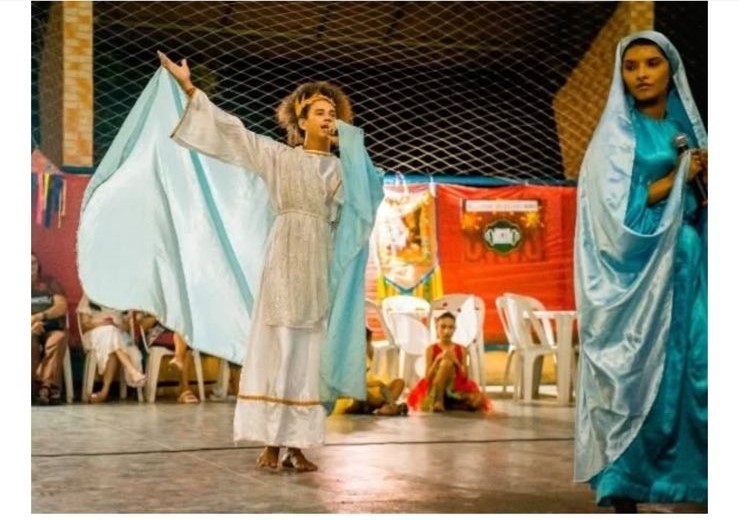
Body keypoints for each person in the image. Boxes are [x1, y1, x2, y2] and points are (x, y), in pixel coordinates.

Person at [158, 51, 383, 472]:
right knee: (279, 343)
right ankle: (270, 441)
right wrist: (189, 88)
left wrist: (352, 148)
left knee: (308, 350)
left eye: (333, 113)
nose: (328, 118)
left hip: (319, 260)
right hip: (283, 256)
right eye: (319, 112)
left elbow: (365, 200)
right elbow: (233, 133)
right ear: (300, 121)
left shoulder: (341, 170)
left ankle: (297, 444)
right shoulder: (279, 157)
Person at [573, 31, 707, 513]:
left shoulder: (684, 130)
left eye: (652, 63)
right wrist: (677, 179)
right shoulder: (617, 135)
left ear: (672, 69)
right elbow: (611, 209)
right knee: (635, 373)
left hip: (689, 265)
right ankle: (625, 483)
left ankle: (686, 480)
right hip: (639, 274)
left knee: (695, 370)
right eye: (631, 67)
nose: (642, 74)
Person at [406, 312, 492, 413]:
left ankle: (451, 404)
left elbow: (465, 376)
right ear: (437, 328)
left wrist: (456, 361)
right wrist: (438, 360)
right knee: (446, 363)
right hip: (437, 386)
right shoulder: (431, 349)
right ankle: (439, 400)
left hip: (456, 388)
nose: (447, 331)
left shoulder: (462, 349)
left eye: (450, 327)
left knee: (479, 399)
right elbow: (427, 377)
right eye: (443, 327)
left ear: (454, 329)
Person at [77, 295, 147, 403]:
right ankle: (132, 371)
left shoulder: (122, 296)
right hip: (94, 334)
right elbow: (85, 325)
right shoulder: (90, 295)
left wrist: (117, 325)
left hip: (118, 334)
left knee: (112, 338)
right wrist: (102, 323)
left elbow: (127, 326)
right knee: (109, 331)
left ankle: (104, 392)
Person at [31, 252, 69, 405]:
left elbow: (61, 306)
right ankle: (33, 386)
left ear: (38, 265)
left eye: (33, 263)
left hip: (51, 325)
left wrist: (40, 317)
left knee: (58, 339)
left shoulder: (49, 283)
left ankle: (46, 387)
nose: (30, 266)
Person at [344, 328, 408, 416]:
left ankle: (383, 406)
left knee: (399, 382)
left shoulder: (373, 354)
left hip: (374, 394)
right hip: (358, 395)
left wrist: (380, 388)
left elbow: (381, 382)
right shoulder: (350, 356)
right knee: (361, 392)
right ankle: (385, 406)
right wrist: (375, 385)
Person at [138, 313, 200, 404]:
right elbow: (142, 326)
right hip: (157, 335)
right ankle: (184, 389)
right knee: (185, 341)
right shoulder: (149, 307)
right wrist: (158, 316)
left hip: (178, 334)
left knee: (184, 337)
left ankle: (178, 360)